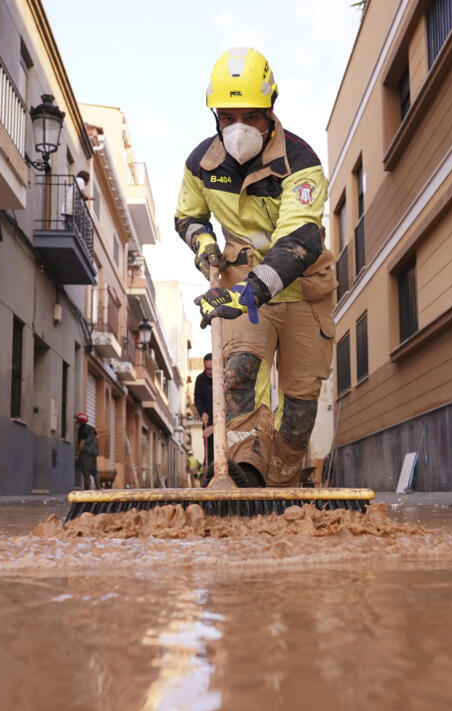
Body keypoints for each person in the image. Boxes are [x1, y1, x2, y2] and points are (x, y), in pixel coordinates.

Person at [176, 47, 336, 488]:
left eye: (251, 116)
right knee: (239, 375)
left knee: (301, 405)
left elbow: (300, 239)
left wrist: (248, 291)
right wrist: (204, 244)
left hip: (302, 291)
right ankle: (245, 474)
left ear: (270, 113)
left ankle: (282, 483)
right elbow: (188, 217)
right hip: (240, 286)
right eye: (227, 117)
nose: (238, 128)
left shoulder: (301, 163)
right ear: (216, 118)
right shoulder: (201, 164)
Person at [193, 353, 214, 483]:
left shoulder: (224, 378)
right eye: (208, 369)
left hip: (223, 423)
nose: (210, 372)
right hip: (207, 421)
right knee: (209, 453)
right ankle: (209, 482)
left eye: (213, 369)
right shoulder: (200, 379)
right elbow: (198, 398)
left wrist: (215, 427)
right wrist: (203, 413)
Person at [74, 412, 98, 491]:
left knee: (86, 472)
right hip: (93, 453)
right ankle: (98, 488)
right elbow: (97, 439)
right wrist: (96, 450)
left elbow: (82, 443)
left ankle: (87, 490)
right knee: (94, 471)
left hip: (86, 454)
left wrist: (77, 453)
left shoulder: (81, 430)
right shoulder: (92, 428)